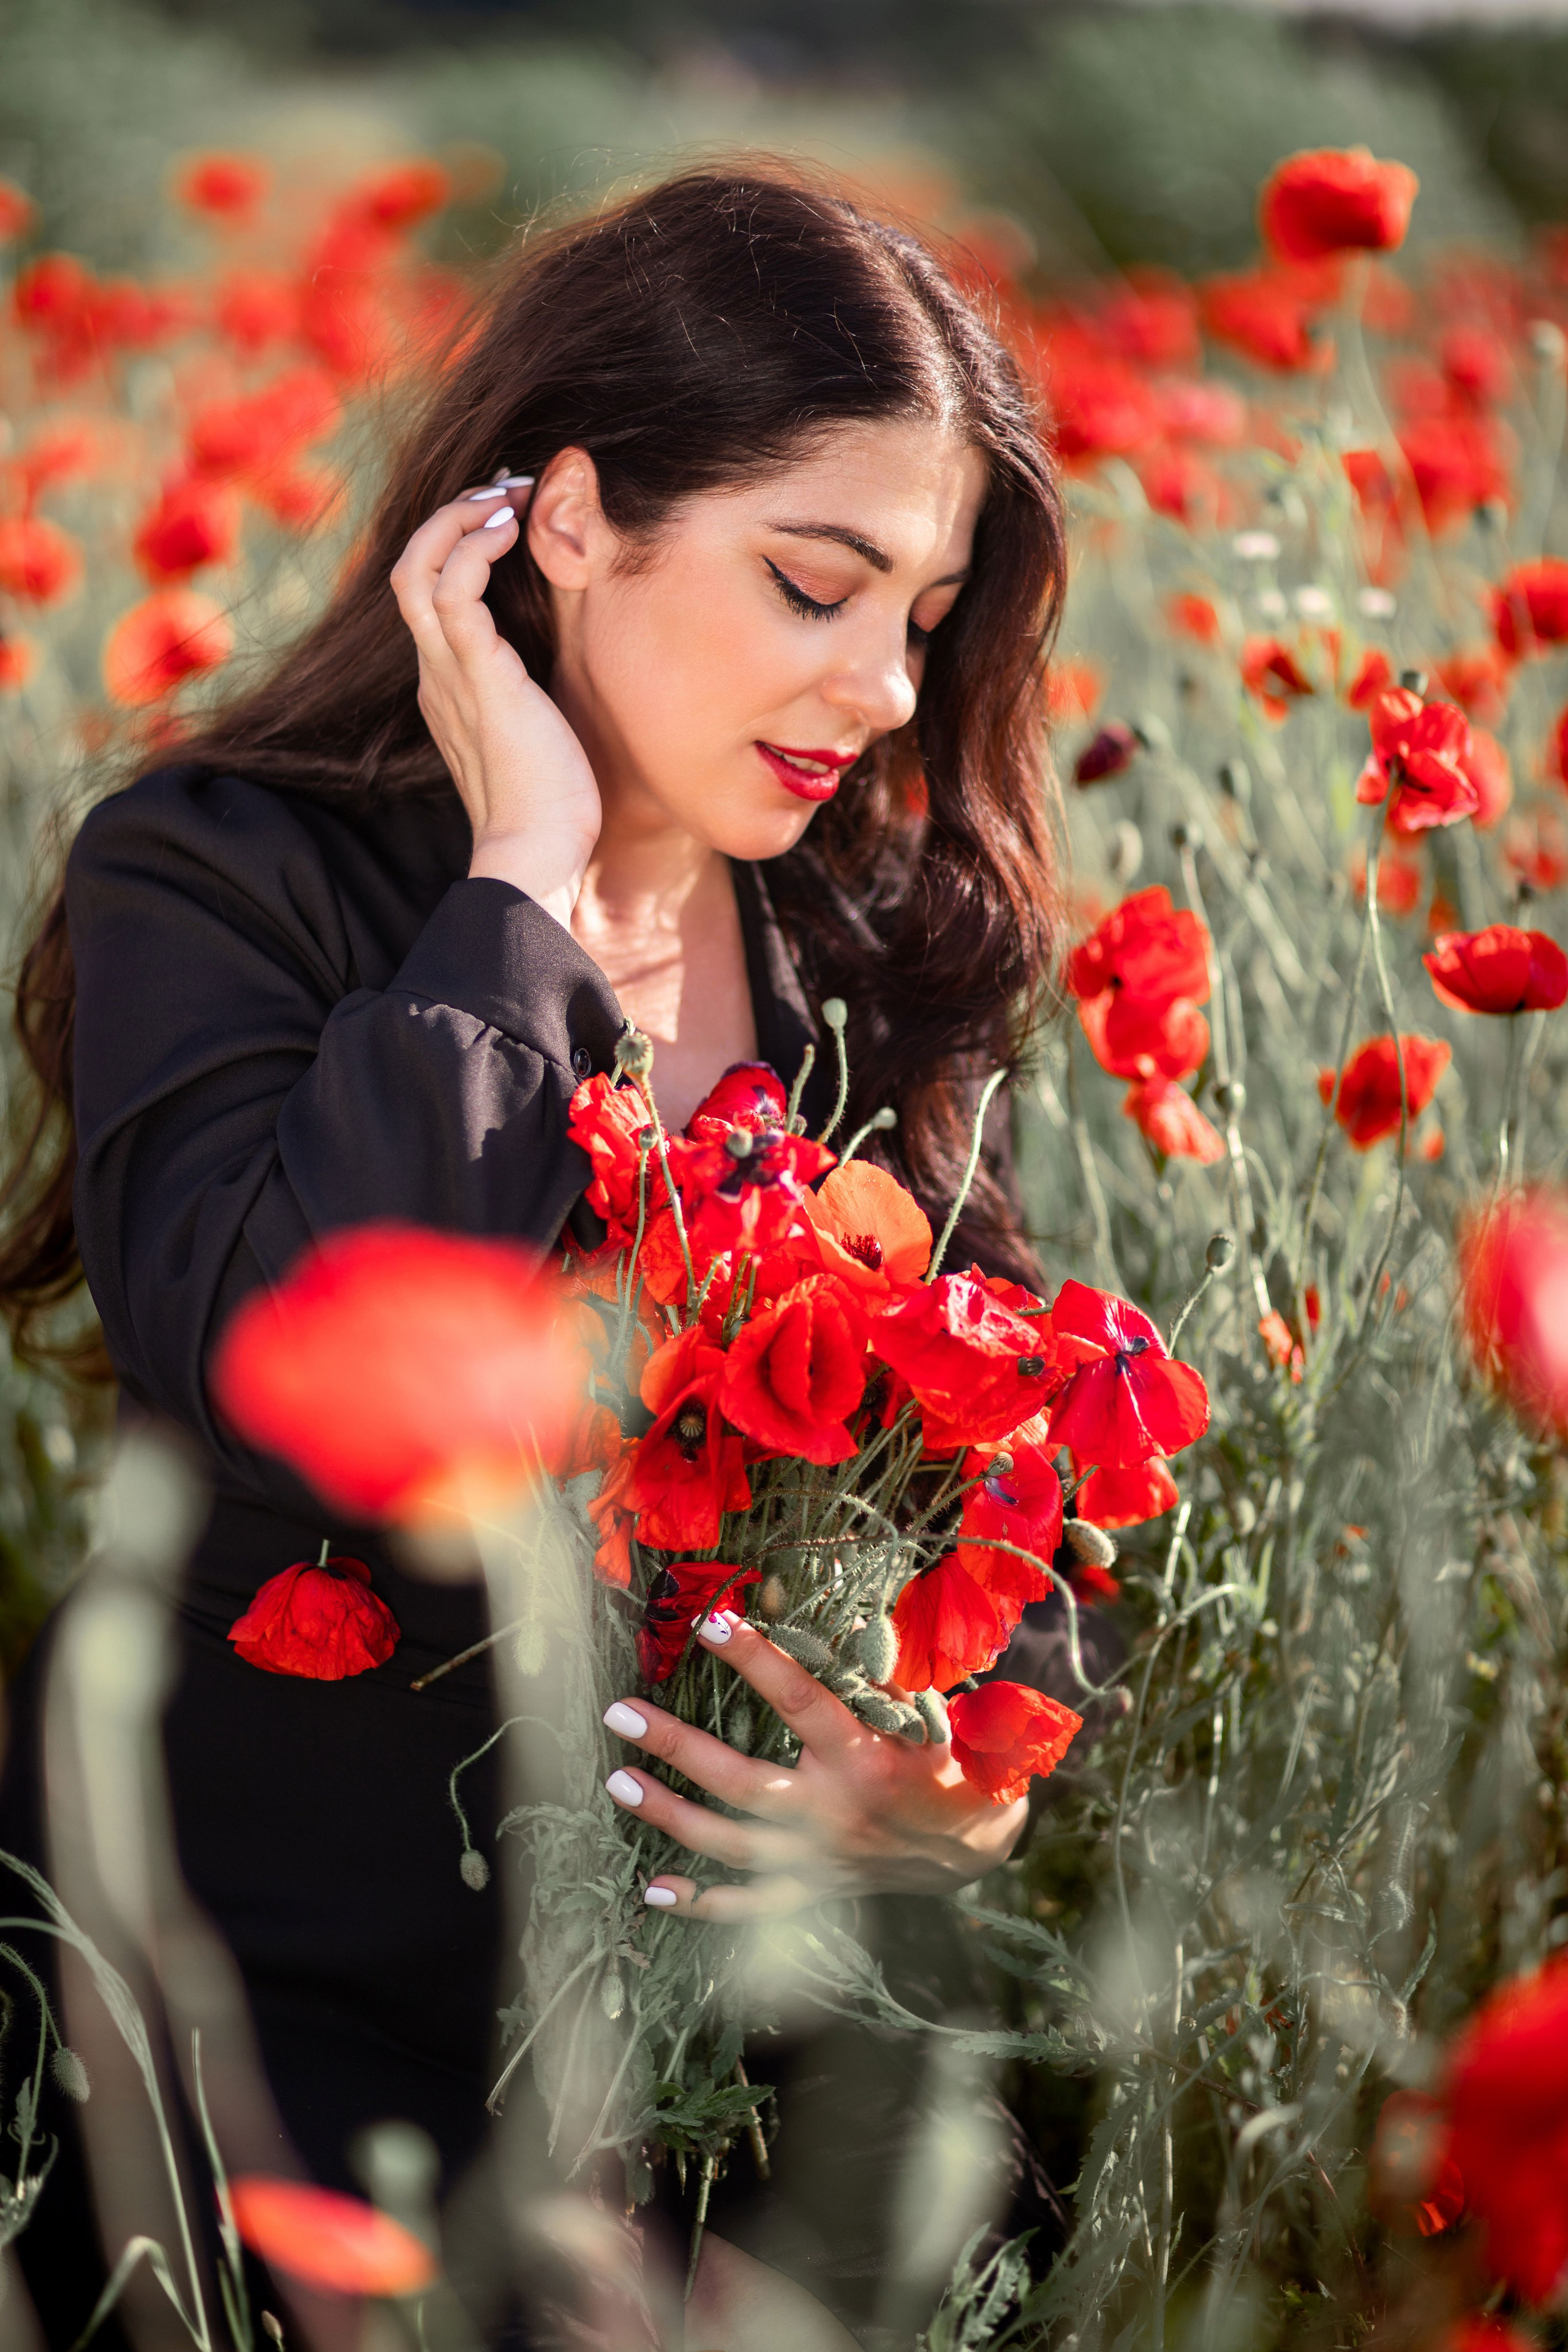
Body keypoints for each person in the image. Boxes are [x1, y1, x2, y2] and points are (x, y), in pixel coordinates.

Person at [0, 166, 1068, 2346]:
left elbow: (1014, 1475)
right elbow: (283, 1365)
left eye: (926, 613)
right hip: (261, 1979)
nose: (882, 684)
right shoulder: (218, 874)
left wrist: (952, 1783)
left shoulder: (873, 949)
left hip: (730, 2002)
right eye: (813, 583)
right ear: (566, 520)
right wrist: (518, 890)